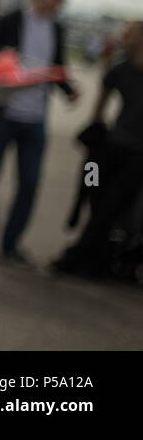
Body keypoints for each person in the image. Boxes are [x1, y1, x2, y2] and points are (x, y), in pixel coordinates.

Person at [0, 0, 80, 264]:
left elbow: (57, 65)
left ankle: (10, 243)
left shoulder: (57, 29)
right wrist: (4, 62)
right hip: (3, 114)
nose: (59, 3)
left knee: (30, 182)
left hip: (35, 117)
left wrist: (69, 89)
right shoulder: (10, 21)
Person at [51, 21, 143, 278]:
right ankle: (94, 258)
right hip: (114, 148)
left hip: (137, 154)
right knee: (97, 198)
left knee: (115, 207)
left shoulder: (122, 70)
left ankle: (88, 257)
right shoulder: (119, 70)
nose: (123, 37)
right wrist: (97, 138)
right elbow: (98, 111)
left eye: (129, 34)